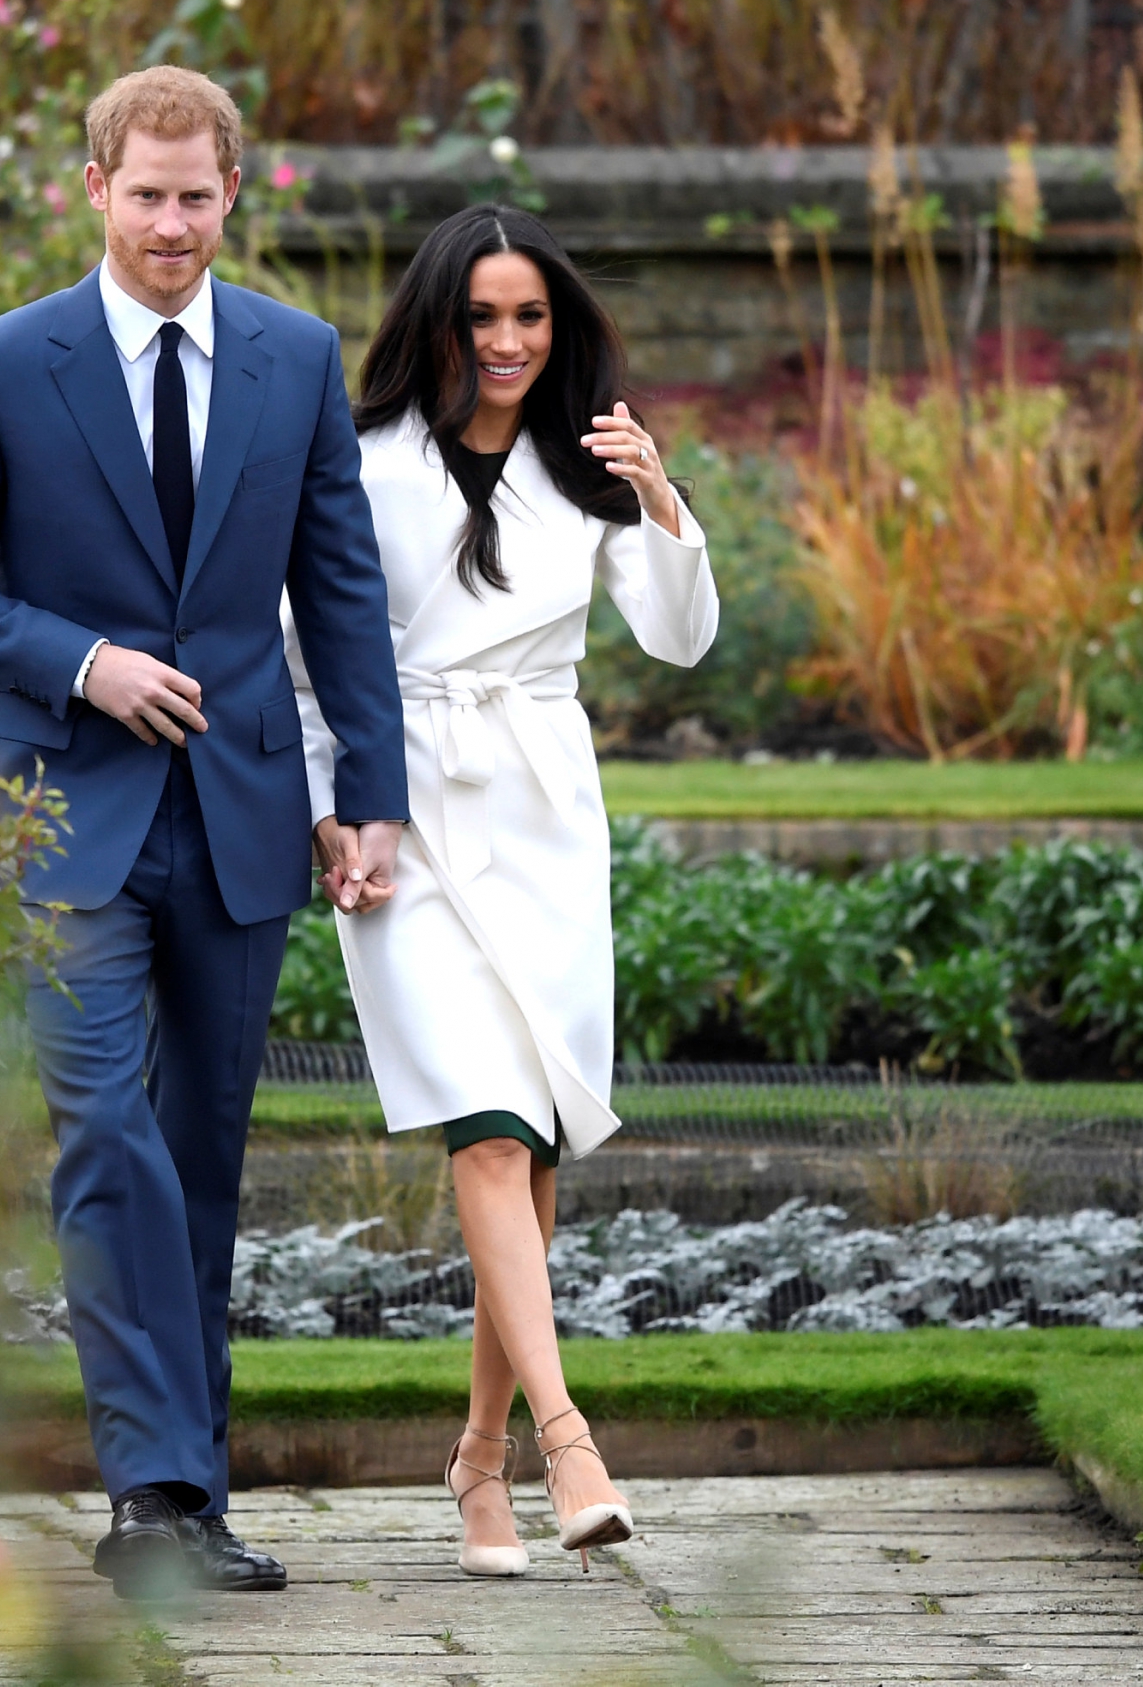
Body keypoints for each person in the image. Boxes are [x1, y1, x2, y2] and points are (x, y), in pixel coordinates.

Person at [0, 67, 408, 1599]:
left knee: (200, 1155)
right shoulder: (1, 364)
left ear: (232, 195)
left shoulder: (297, 361)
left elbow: (343, 591)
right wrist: (78, 661)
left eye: (198, 196)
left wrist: (365, 793)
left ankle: (194, 1499)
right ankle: (149, 1497)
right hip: (65, 816)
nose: (172, 223)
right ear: (94, 187)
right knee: (105, 1133)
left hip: (244, 813)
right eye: (147, 193)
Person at [291, 203, 717, 1576]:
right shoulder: (356, 466)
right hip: (397, 811)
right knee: (480, 1129)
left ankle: (481, 1467)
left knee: (524, 1157)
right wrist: (334, 813)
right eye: (483, 315)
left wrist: (660, 498)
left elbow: (681, 637)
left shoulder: (592, 463)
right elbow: (297, 664)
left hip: (540, 812)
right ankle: (570, 1437)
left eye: (531, 314)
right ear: (438, 323)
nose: (510, 340)